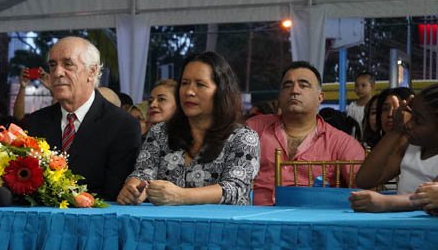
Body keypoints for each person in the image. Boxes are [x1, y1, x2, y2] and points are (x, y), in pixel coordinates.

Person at [117, 52, 259, 206]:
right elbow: (143, 172)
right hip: (165, 220)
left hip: (224, 221)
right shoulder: (159, 132)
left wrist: (181, 196)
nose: (189, 92)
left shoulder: (243, 137)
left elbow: (235, 188)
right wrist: (133, 188)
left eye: (200, 84)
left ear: (221, 91)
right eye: (184, 83)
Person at [23, 36, 141, 201]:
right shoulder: (35, 122)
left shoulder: (122, 125)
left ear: (91, 72)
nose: (57, 73)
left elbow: (114, 192)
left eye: (68, 64)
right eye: (53, 65)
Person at [246, 61, 365, 206]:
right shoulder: (254, 128)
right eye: (287, 86)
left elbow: (363, 193)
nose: (294, 91)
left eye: (303, 85)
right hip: (250, 216)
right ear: (280, 96)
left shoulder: (342, 144)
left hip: (313, 218)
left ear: (320, 97)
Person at [351, 85, 438, 213]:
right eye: (411, 116)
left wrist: (387, 202)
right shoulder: (409, 146)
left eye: (418, 120)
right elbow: (364, 180)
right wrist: (395, 131)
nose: (409, 124)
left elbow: (429, 195)